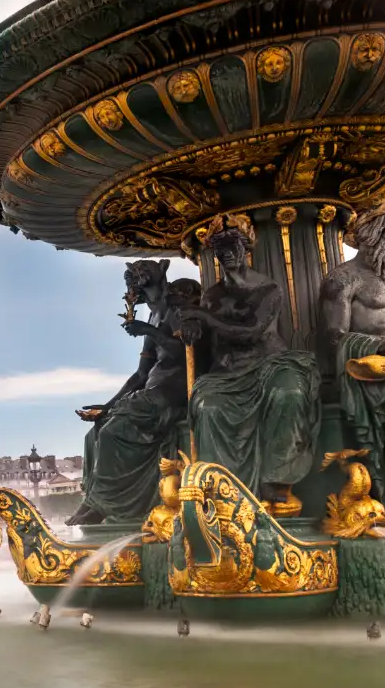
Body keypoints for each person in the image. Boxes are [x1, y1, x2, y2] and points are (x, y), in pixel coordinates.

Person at [178, 214, 320, 512]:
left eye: (233, 247)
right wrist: (192, 328)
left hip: (272, 365)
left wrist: (202, 317)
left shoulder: (268, 290)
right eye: (220, 249)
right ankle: (223, 487)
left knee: (290, 393)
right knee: (207, 406)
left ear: (247, 249)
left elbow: (251, 333)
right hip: (228, 372)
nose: (227, 254)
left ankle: (276, 478)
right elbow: (207, 339)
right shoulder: (213, 295)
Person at [67, 260, 198, 525]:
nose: (139, 273)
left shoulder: (179, 307)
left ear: (163, 270)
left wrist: (149, 332)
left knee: (114, 432)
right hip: (152, 392)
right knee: (98, 429)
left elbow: (188, 353)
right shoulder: (153, 314)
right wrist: (107, 406)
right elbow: (141, 374)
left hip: (173, 395)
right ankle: (93, 499)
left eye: (145, 269)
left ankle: (104, 505)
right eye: (135, 271)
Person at [320, 195, 385, 509]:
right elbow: (334, 338)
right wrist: (380, 346)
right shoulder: (344, 279)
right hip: (366, 374)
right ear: (371, 234)